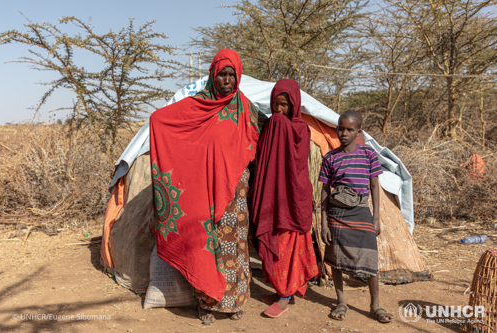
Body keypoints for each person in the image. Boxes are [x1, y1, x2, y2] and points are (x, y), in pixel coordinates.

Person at [149, 49, 267, 325]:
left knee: (236, 246)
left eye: (231, 75)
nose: (226, 80)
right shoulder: (198, 104)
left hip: (235, 191)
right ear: (213, 75)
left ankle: (235, 302)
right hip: (202, 190)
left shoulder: (246, 108)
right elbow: (162, 120)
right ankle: (207, 303)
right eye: (222, 74)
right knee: (207, 244)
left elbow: (266, 134)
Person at [318, 110, 394, 323]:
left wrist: (376, 218)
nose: (344, 133)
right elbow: (325, 191)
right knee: (336, 260)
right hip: (337, 214)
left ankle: (375, 304)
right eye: (340, 128)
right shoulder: (330, 157)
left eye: (350, 129)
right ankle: (341, 302)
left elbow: (374, 186)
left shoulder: (368, 154)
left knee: (370, 259)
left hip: (361, 213)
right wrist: (323, 224)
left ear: (358, 131)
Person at [251, 79, 318, 318]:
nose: (278, 111)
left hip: (291, 200)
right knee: (275, 242)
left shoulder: (300, 129)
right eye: (275, 105)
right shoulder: (272, 124)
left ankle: (285, 294)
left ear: (294, 105)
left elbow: (294, 166)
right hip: (273, 196)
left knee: (287, 248)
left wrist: (277, 123)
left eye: (284, 105)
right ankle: (281, 290)